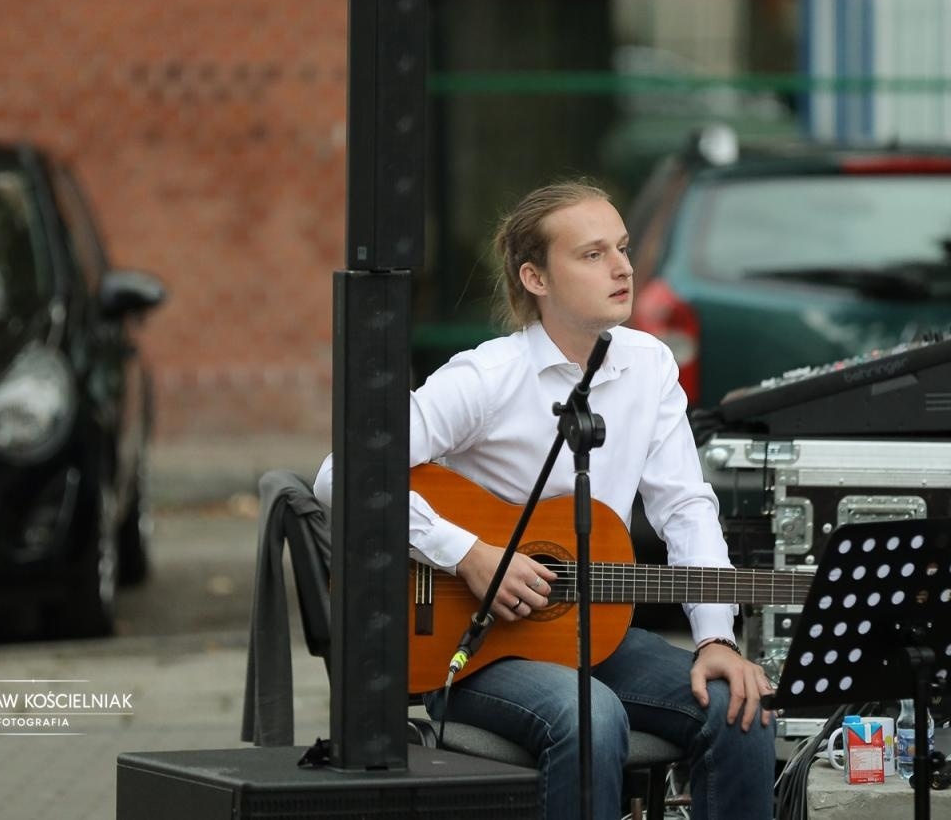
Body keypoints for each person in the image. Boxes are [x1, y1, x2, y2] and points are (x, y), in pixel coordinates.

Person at [314, 180, 775, 819]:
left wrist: (715, 639)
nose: (622, 268)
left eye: (622, 247)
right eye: (592, 254)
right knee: (591, 717)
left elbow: (685, 508)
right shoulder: (486, 378)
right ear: (535, 278)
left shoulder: (650, 366)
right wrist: (466, 553)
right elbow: (342, 474)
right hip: (469, 647)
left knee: (738, 706)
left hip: (594, 637)